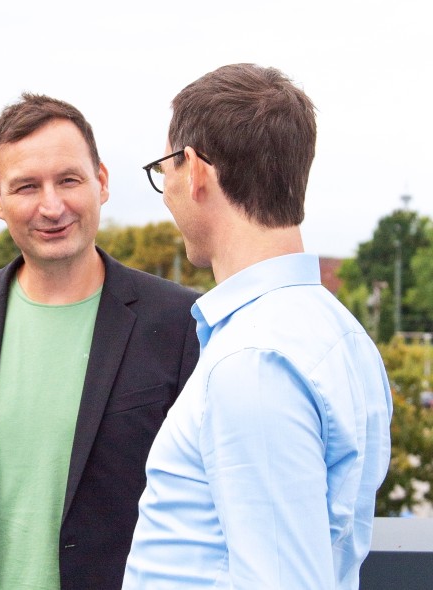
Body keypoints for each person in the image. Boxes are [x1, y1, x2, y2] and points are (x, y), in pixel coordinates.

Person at [0, 93, 200, 589]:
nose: (52, 207)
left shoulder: (179, 322)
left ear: (102, 182)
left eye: (69, 180)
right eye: (26, 186)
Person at [124, 64, 393, 589]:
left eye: (165, 169)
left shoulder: (255, 361)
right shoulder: (340, 334)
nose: (167, 191)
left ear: (195, 170)